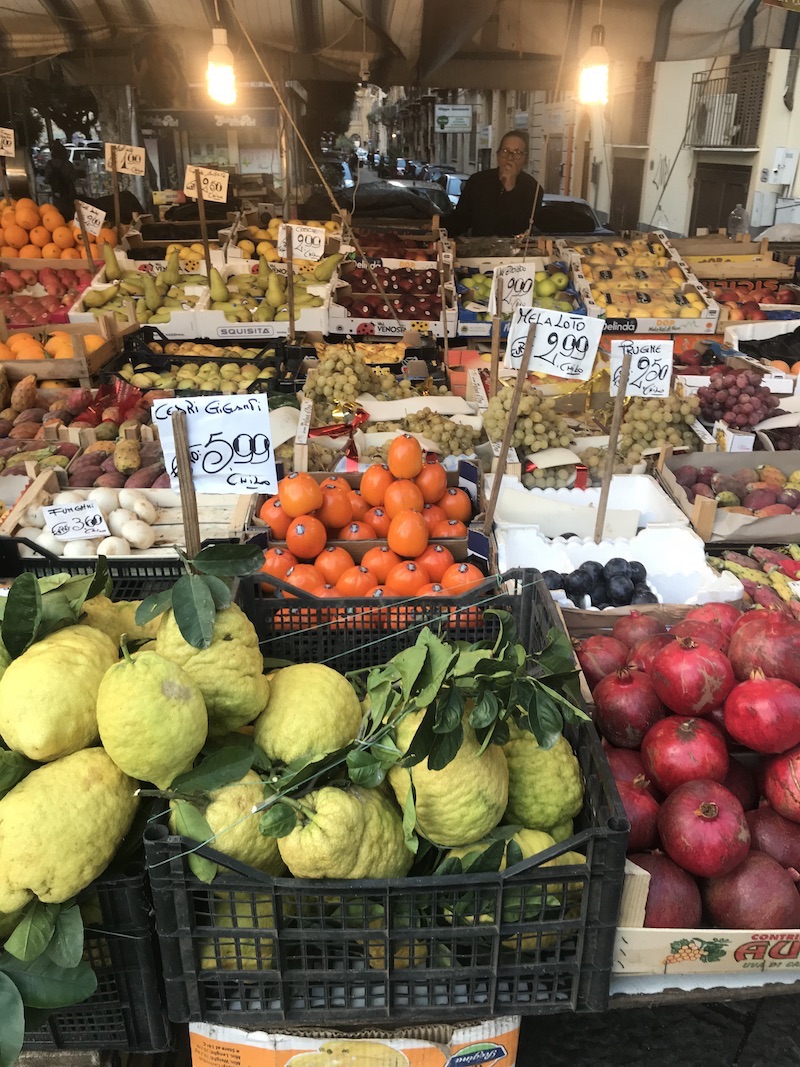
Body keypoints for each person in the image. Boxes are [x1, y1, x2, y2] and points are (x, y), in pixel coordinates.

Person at [442, 131, 543, 238]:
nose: (510, 158)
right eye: (505, 151)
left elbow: (520, 227)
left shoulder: (533, 189)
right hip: (479, 247)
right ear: (498, 155)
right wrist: (437, 225)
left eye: (517, 153)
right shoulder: (478, 181)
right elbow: (460, 220)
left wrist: (510, 189)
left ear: (525, 159)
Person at [44, 142, 78, 221]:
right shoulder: (67, 164)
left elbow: (46, 179)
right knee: (70, 210)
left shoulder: (49, 164)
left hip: (55, 190)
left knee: (57, 210)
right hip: (68, 191)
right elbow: (73, 178)